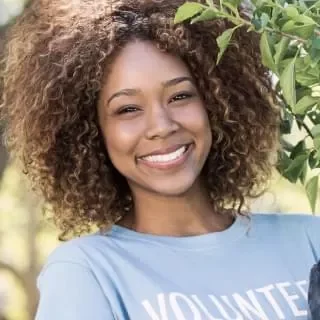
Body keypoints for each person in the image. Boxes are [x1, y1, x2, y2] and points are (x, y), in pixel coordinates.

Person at [1, 0, 319, 319]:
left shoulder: (310, 240)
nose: (162, 126)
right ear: (91, 130)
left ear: (215, 103)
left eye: (180, 96)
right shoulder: (87, 272)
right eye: (128, 109)